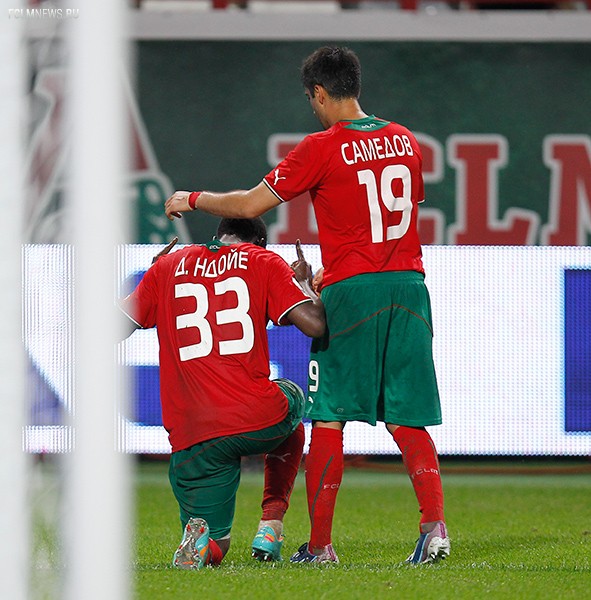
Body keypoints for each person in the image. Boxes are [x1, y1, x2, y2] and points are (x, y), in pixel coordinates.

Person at [164, 46, 450, 565]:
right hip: (409, 286)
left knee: (329, 418)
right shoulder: (406, 140)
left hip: (353, 295)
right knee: (406, 415)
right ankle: (434, 530)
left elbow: (249, 205)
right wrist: (330, 271)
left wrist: (195, 198)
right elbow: (388, 223)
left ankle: (320, 546)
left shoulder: (322, 147)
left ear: (319, 93)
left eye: (311, 99)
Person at [120, 217, 325, 569]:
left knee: (217, 544)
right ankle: (271, 523)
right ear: (257, 242)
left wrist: (153, 276)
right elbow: (315, 325)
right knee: (292, 398)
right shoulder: (262, 260)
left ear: (219, 236)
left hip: (191, 434)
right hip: (256, 414)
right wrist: (305, 283)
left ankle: (200, 544)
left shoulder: (168, 267)